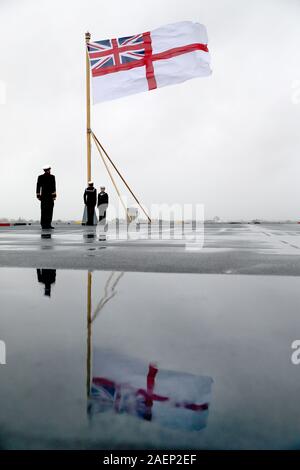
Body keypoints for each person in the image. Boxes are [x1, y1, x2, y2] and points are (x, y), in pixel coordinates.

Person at [36, 165, 56, 229]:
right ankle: (46, 224)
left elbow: (38, 186)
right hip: (47, 196)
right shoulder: (51, 177)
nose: (49, 171)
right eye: (49, 170)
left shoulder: (41, 177)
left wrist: (38, 195)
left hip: (45, 196)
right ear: (48, 170)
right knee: (47, 211)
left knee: (46, 210)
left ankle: (46, 224)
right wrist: (54, 196)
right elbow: (53, 187)